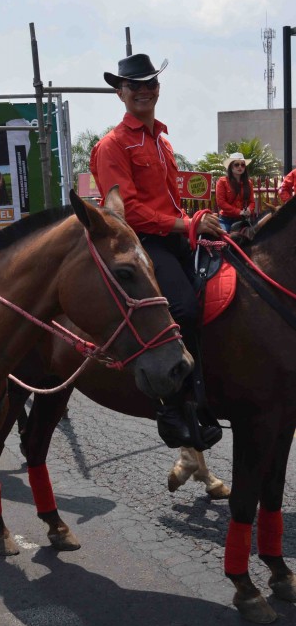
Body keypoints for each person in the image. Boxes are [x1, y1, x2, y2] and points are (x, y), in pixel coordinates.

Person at [90, 53, 223, 451]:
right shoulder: (112, 145)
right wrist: (186, 225)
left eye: (150, 83)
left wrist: (195, 220)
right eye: (134, 85)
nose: (143, 90)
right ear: (120, 93)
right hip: (142, 243)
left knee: (222, 292)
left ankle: (212, 386)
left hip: (176, 236)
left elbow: (170, 202)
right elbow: (128, 211)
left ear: (159, 89)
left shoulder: (162, 139)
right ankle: (172, 408)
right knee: (182, 309)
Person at [215, 153, 255, 232]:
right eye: (236, 165)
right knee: (223, 236)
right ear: (231, 166)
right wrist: (239, 212)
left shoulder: (249, 183)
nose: (240, 167)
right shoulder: (222, 181)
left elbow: (252, 202)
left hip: (242, 220)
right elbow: (221, 202)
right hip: (225, 219)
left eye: (242, 165)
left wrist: (249, 210)